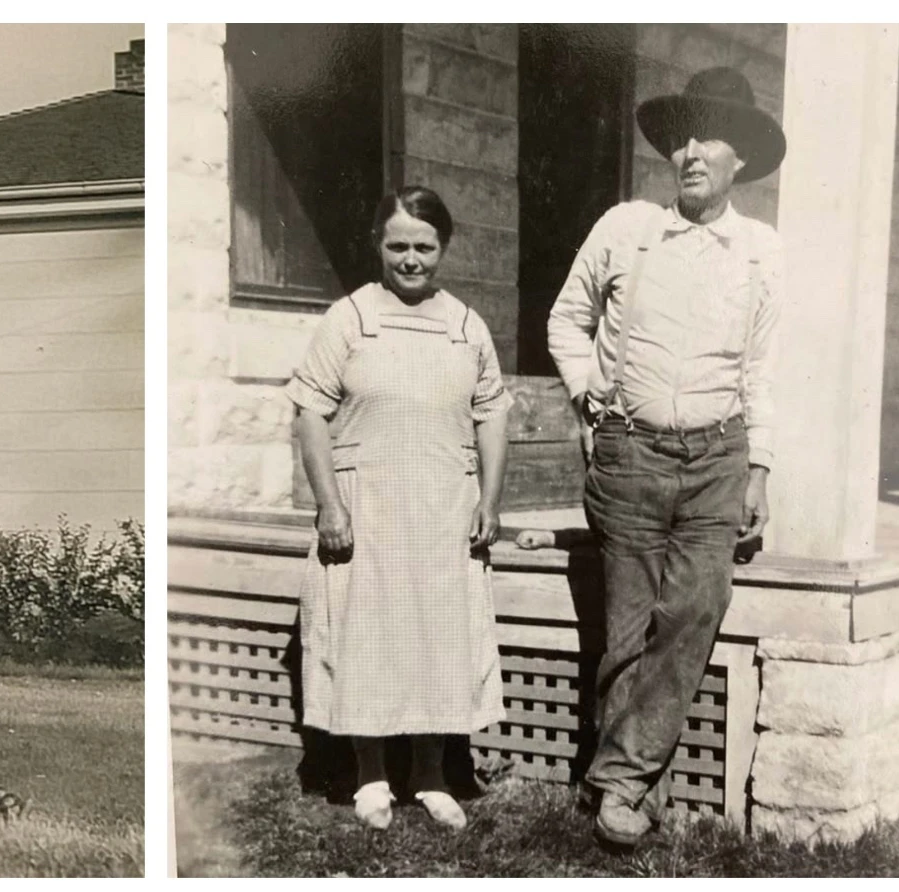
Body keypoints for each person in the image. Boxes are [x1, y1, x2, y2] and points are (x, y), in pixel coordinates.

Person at [545, 66, 786, 848]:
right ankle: (628, 790)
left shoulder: (760, 251)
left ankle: (615, 779)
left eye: (707, 137)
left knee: (694, 612)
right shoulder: (626, 228)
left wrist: (759, 471)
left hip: (719, 457)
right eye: (680, 136)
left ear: (738, 158)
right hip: (630, 454)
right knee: (625, 628)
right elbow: (566, 320)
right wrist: (589, 397)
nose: (688, 152)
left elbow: (766, 369)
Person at [287, 186, 512, 831]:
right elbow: (310, 413)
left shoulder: (466, 324)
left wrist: (489, 501)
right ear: (378, 246)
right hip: (368, 509)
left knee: (438, 638)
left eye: (424, 246)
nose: (411, 259)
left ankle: (433, 777)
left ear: (443, 248)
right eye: (398, 246)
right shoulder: (350, 318)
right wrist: (330, 505)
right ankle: (371, 777)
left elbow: (492, 413)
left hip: (444, 506)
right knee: (369, 638)